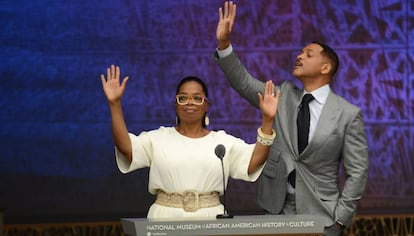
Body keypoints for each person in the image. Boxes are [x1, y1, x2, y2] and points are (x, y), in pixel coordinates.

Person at [214, 1, 369, 235]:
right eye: (300, 52)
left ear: (326, 67)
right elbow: (243, 82)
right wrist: (224, 44)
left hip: (322, 215)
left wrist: (340, 218)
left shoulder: (347, 114)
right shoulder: (282, 95)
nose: (299, 56)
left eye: (308, 54)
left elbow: (357, 171)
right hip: (276, 211)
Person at [100, 64, 280, 219]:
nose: (190, 103)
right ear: (176, 105)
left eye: (197, 98)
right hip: (164, 217)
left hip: (210, 218)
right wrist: (114, 104)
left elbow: (254, 161)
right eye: (183, 98)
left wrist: (267, 120)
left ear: (206, 105)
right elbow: (126, 149)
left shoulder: (221, 142)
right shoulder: (158, 138)